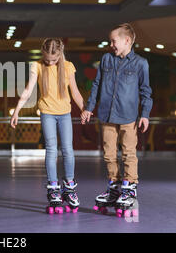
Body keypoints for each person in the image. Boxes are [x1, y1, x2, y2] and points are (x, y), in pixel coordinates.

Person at [81, 23, 153, 218]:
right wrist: (89, 107)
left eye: (113, 41)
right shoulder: (106, 59)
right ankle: (114, 186)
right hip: (106, 114)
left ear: (127, 41)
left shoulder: (140, 63)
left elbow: (146, 91)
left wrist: (145, 114)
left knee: (129, 153)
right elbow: (96, 84)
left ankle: (129, 188)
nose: (110, 44)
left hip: (129, 116)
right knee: (109, 153)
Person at [10, 38, 85, 214]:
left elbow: (74, 91)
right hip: (47, 113)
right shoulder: (37, 66)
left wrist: (84, 109)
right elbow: (28, 89)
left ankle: (70, 188)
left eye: (54, 59)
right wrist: (16, 111)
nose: (50, 62)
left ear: (60, 54)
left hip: (65, 113)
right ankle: (53, 188)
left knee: (68, 150)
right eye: (47, 59)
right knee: (51, 149)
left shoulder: (68, 66)